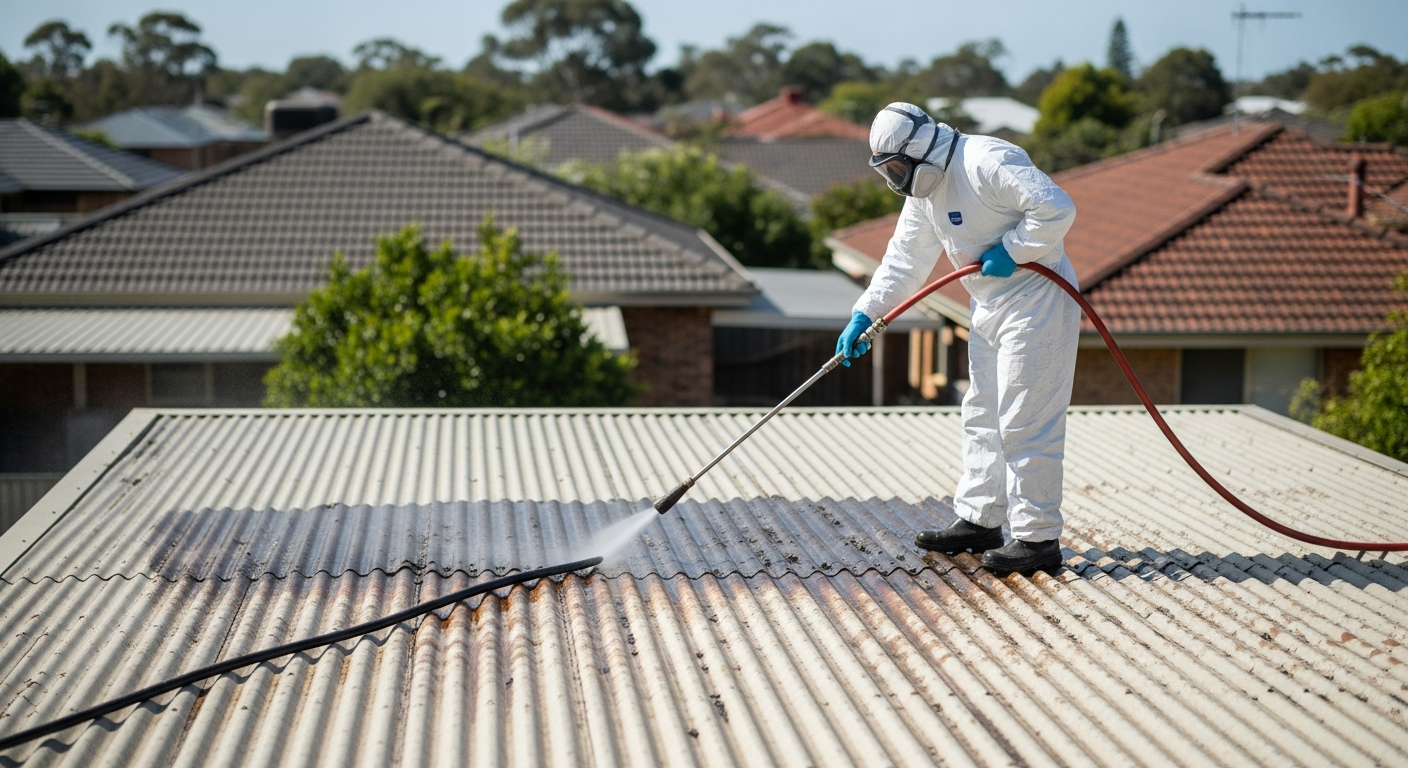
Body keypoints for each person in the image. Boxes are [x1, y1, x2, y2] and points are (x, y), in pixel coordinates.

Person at [836, 102, 1080, 574]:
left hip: (1037, 299)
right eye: (886, 172)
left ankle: (1037, 538)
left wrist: (1012, 250)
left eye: (897, 168)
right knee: (982, 411)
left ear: (919, 149)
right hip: (988, 304)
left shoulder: (986, 160)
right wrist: (865, 313)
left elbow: (1055, 207)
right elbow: (904, 262)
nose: (896, 180)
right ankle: (980, 519)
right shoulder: (924, 194)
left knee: (1024, 419)